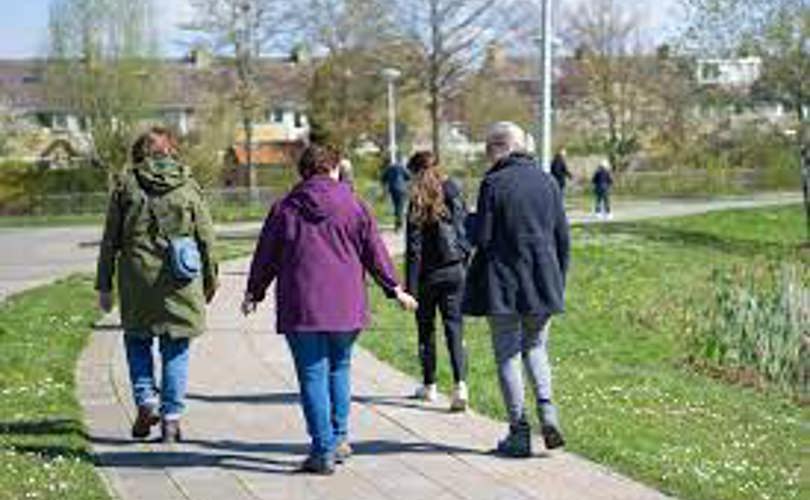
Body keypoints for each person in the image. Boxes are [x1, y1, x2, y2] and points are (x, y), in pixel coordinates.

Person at [242, 145, 418, 475]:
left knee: (312, 374)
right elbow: (374, 251)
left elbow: (266, 253)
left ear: (303, 172)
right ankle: (338, 438)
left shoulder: (285, 208)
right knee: (340, 367)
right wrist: (394, 288)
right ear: (335, 168)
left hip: (301, 304)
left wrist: (255, 291)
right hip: (346, 303)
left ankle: (322, 449)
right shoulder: (353, 205)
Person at [96, 126, 219, 443]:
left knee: (137, 341)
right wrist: (210, 279)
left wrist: (104, 285)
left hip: (136, 278)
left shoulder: (126, 185)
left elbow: (110, 240)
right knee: (175, 348)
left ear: (139, 153)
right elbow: (206, 237)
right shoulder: (188, 185)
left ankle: (146, 400)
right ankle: (172, 419)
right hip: (180, 277)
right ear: (170, 151)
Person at [463, 122, 569, 457]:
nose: (486, 157)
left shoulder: (493, 183)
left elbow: (482, 237)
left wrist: (468, 220)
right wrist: (557, 280)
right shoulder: (549, 181)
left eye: (487, 150)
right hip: (543, 282)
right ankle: (548, 412)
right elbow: (562, 237)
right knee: (536, 347)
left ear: (499, 147)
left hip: (504, 285)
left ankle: (519, 430)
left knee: (507, 354)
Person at [405, 151, 470, 411]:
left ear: (414, 172)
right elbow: (465, 228)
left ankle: (430, 385)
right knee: (454, 327)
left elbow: (413, 248)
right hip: (455, 271)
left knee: (426, 329)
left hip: (427, 275)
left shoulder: (416, 199)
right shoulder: (452, 189)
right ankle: (461, 384)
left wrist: (409, 288)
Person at [381, 157, 412, 231]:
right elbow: (409, 177)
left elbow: (383, 178)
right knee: (400, 206)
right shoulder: (402, 168)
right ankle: (399, 224)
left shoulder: (389, 168)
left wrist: (385, 188)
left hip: (393, 189)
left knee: (396, 206)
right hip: (402, 190)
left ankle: (398, 223)